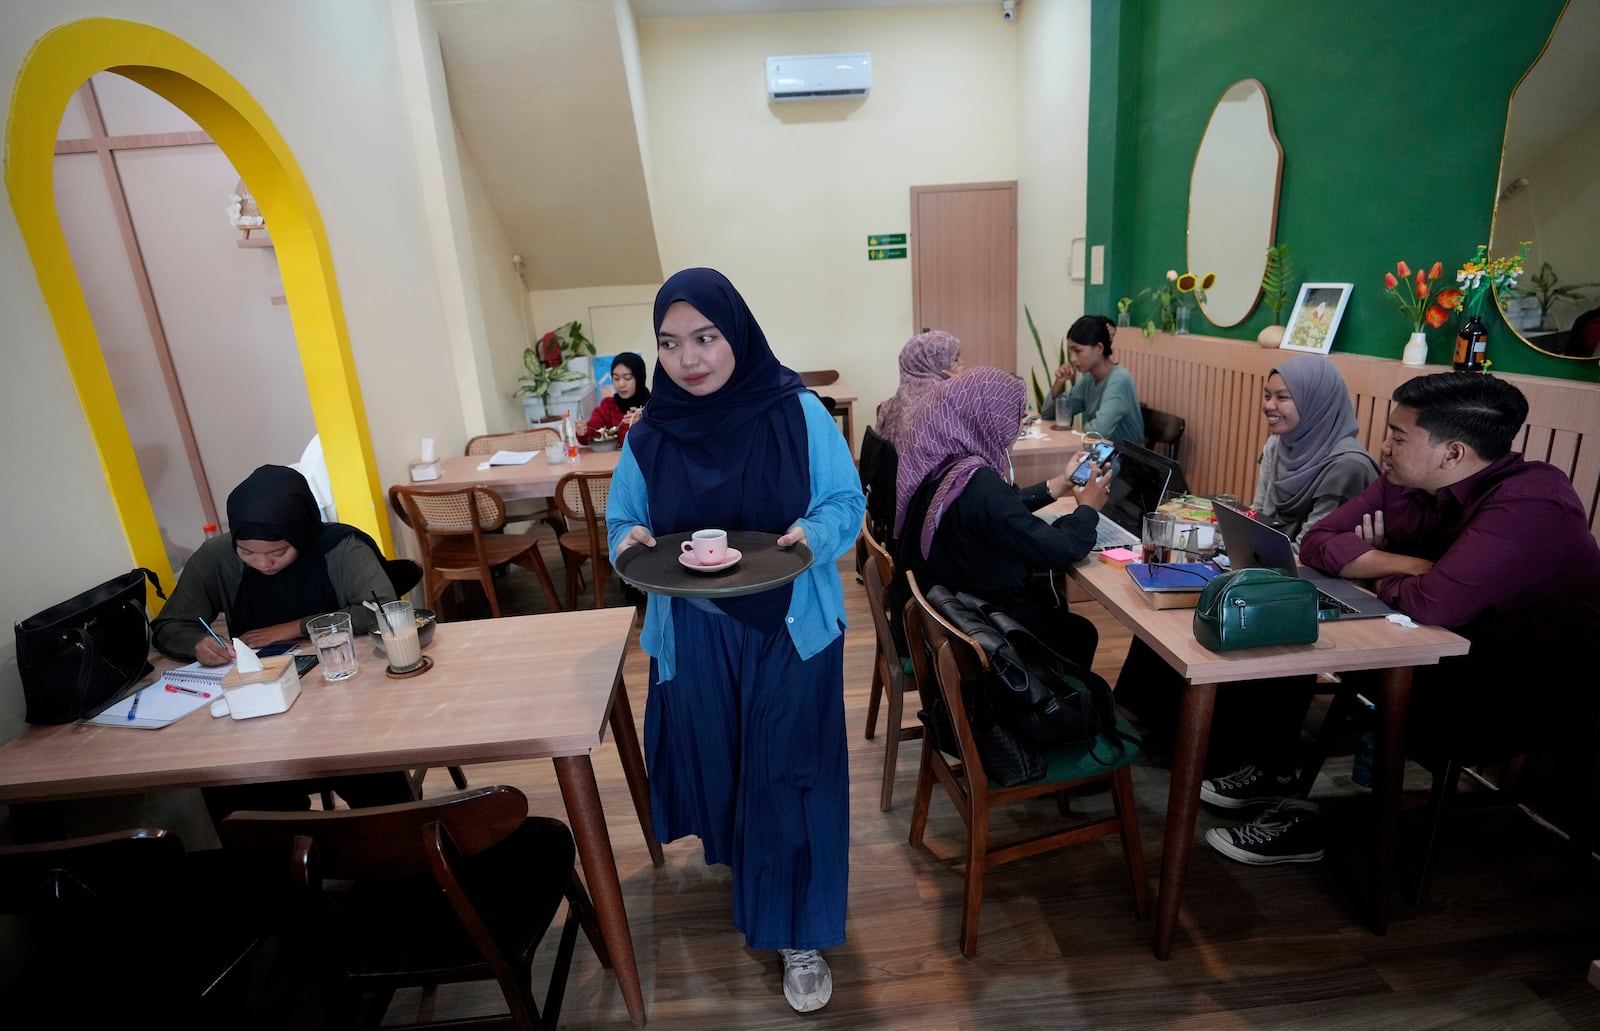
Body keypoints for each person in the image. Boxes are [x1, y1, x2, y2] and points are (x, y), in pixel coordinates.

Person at [1208, 372, 1600, 866]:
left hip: (1527, 682)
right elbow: (1317, 541)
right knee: (1289, 629)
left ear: (1452, 452)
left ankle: (1324, 827)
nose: (1384, 448)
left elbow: (1434, 604)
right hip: (1446, 646)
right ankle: (1277, 776)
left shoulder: (1532, 501)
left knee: (1327, 651)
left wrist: (1378, 573)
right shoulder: (1408, 482)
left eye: (1398, 436)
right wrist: (1405, 564)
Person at [607, 268, 864, 1014]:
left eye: (706, 337)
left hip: (790, 625)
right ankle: (751, 864)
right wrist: (629, 538)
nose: (689, 358)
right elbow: (623, 519)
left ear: (736, 333)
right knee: (727, 763)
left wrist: (813, 532)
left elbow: (847, 501)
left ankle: (798, 932)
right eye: (670, 343)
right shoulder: (651, 433)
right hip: (695, 629)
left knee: (789, 772)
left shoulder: (797, 412)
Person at [1116, 357, 1380, 842]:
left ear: (1317, 403)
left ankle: (1235, 757)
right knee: (1182, 595)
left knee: (1223, 611)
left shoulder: (1348, 466)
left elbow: (1320, 549)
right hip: (1273, 570)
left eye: (1283, 398)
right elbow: (1264, 520)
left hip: (1320, 587)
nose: (1270, 407)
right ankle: (1148, 719)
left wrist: (1252, 556)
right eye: (1267, 395)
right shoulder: (1279, 445)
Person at [152, 464, 413, 820]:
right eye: (247, 552)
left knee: (376, 785)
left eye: (277, 552)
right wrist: (197, 642)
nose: (263, 563)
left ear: (301, 531)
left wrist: (295, 627)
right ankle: (290, 863)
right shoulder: (215, 557)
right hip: (261, 703)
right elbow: (170, 624)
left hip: (345, 693)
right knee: (234, 789)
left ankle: (391, 857)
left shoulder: (340, 548)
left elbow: (377, 610)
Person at [892, 366, 1112, 666]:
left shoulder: (945, 466)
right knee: (1079, 633)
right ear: (988, 419)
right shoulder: (979, 485)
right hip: (977, 630)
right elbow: (1059, 549)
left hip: (942, 616)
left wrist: (1057, 485)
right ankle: (1044, 708)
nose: (1014, 429)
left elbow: (998, 510)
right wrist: (1087, 508)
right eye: (1013, 418)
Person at [1041, 315, 1145, 448]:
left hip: (1126, 462)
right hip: (1102, 456)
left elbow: (1098, 432)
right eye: (1071, 351)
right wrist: (1058, 383)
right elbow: (1048, 415)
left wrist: (1076, 431)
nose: (1072, 358)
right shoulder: (1089, 378)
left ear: (1099, 348)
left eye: (1078, 351)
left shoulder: (1120, 379)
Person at [873, 329, 963, 447]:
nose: (962, 362)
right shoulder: (942, 402)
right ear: (934, 362)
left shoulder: (895, 402)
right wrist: (960, 386)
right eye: (955, 359)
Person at [576, 352, 650, 444]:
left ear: (639, 378)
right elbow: (592, 432)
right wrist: (583, 431)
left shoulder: (652, 407)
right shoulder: (608, 406)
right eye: (616, 378)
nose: (621, 384)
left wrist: (644, 424)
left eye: (627, 378)